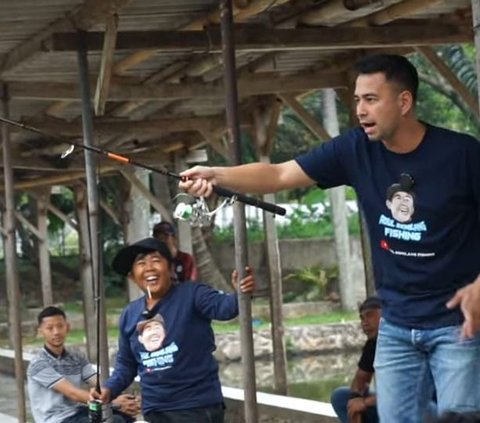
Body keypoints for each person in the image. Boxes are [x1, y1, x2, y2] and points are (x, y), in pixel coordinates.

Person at [179, 54, 480, 422]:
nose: (361, 110)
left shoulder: (462, 154)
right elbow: (278, 174)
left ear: (403, 102)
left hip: (458, 325)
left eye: (371, 99)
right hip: (397, 324)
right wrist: (216, 173)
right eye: (356, 100)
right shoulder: (354, 149)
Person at [90, 237, 255, 423]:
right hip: (155, 410)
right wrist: (109, 389)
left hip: (196, 408)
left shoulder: (193, 294)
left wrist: (240, 292)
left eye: (156, 260)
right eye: (141, 263)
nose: (149, 267)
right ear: (132, 276)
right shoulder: (129, 314)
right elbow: (126, 365)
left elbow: (226, 308)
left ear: (169, 267)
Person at [27, 306, 140, 423]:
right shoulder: (38, 363)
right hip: (56, 419)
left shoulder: (76, 356)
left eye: (60, 326)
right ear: (41, 332)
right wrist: (113, 402)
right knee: (114, 419)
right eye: (50, 328)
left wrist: (116, 396)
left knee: (124, 417)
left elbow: (97, 382)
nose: (56, 332)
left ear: (68, 327)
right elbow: (72, 393)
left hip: (77, 412)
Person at [331, 296, 381, 423]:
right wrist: (356, 399)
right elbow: (361, 379)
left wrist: (366, 402)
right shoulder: (373, 344)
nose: (364, 323)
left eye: (370, 316)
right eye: (362, 318)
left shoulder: (405, 343)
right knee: (340, 397)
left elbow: (406, 392)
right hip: (384, 402)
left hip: (416, 405)